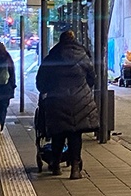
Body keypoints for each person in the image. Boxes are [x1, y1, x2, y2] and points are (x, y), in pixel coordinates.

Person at [36, 29, 99, 179]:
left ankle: (56, 165)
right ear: (74, 40)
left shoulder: (52, 57)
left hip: (57, 100)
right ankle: (75, 169)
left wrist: (48, 90)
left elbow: (41, 82)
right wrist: (83, 90)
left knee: (58, 133)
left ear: (60, 40)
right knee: (75, 135)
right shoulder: (83, 56)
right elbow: (92, 79)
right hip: (80, 101)